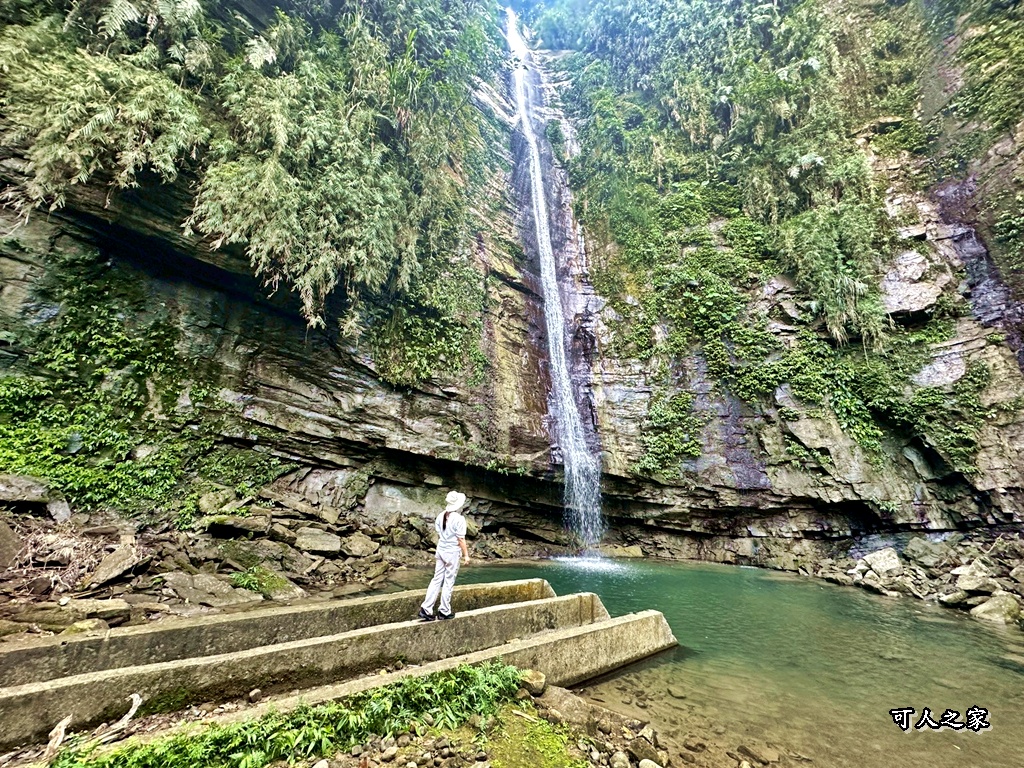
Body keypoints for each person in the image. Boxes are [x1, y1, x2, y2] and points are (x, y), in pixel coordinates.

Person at [418, 490, 470, 621]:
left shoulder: (441, 515)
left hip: (441, 550)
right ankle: (444, 611)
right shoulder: (459, 519)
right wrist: (466, 555)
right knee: (448, 582)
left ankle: (426, 608)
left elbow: (439, 533)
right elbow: (461, 540)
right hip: (452, 553)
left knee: (436, 579)